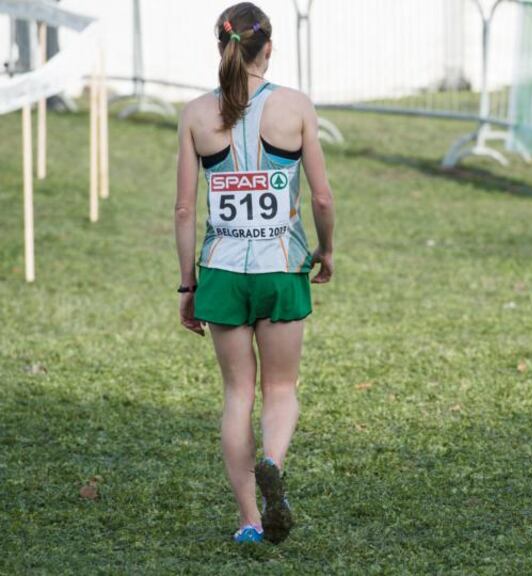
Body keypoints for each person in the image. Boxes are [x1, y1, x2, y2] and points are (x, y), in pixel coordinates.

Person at [174, 2, 335, 544]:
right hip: (282, 268)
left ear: (220, 48)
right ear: (269, 47)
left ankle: (249, 521)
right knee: (282, 386)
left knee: (237, 393)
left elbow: (182, 211)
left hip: (220, 272)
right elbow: (322, 196)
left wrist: (186, 285)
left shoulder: (197, 114)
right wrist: (327, 250)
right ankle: (272, 460)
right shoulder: (295, 107)